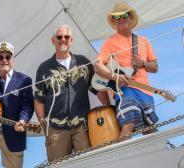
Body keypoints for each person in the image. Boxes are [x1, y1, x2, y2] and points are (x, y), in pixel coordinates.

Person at [34, 25, 109, 162]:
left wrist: (108, 107)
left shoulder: (83, 63)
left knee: (89, 164)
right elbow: (39, 99)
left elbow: (97, 88)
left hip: (82, 125)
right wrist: (43, 124)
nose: (63, 40)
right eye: (59, 37)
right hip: (55, 130)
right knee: (59, 166)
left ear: (71, 40)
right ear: (53, 41)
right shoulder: (44, 68)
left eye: (66, 37)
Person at [94, 2, 159, 138]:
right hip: (124, 90)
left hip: (145, 90)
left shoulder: (143, 40)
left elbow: (155, 67)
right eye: (117, 17)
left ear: (130, 17)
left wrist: (142, 63)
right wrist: (114, 77)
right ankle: (121, 157)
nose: (121, 19)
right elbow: (97, 66)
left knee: (150, 128)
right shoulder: (109, 42)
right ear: (114, 21)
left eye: (124, 15)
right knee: (128, 124)